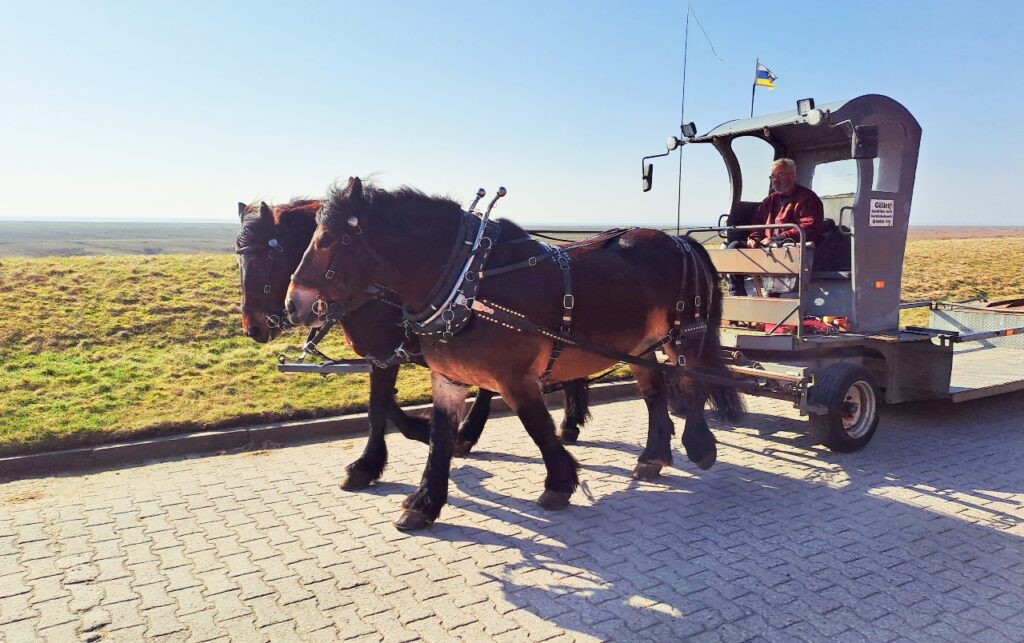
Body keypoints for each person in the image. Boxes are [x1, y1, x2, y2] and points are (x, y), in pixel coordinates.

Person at [728, 158, 824, 296]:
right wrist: (755, 237)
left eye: (779, 175)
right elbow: (757, 222)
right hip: (766, 248)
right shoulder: (769, 200)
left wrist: (778, 239)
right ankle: (737, 295)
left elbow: (809, 227)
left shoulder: (808, 198)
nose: (775, 180)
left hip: (790, 250)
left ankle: (775, 295)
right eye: (772, 176)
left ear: (792, 176)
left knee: (776, 251)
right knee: (734, 247)